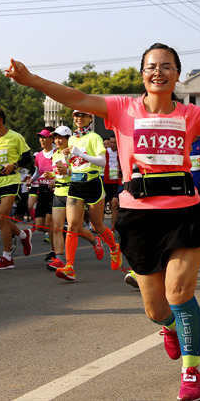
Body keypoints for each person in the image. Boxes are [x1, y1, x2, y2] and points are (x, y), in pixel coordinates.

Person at [5, 43, 200, 401]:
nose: (158, 72)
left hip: (184, 212)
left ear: (177, 75)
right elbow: (75, 95)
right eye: (152, 66)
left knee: (179, 293)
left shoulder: (190, 115)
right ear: (142, 74)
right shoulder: (121, 109)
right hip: (138, 217)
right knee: (156, 309)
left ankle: (191, 369)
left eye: (167, 66)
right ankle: (169, 328)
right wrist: (30, 80)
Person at [54, 109, 122, 281]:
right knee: (72, 226)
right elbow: (75, 164)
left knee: (98, 226)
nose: (79, 118)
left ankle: (114, 248)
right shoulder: (71, 139)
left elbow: (102, 162)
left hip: (93, 183)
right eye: (77, 115)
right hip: (75, 184)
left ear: (90, 118)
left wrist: (80, 153)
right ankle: (69, 267)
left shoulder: (94, 137)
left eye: (83, 115)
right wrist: (65, 170)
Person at [0, 108, 34, 269]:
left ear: (0, 120)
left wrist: (14, 165)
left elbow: (28, 158)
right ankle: (23, 234)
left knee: (2, 218)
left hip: (11, 181)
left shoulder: (15, 137)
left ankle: (7, 258)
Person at [44, 125, 73, 270]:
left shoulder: (73, 152)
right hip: (58, 193)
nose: (57, 140)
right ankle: (59, 259)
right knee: (57, 227)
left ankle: (94, 241)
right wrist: (52, 176)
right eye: (55, 138)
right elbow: (58, 173)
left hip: (72, 192)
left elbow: (81, 170)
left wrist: (68, 171)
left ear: (68, 139)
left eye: (61, 138)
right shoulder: (56, 154)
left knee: (75, 227)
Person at [28, 127, 59, 262]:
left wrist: (55, 178)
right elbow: (37, 172)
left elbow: (63, 169)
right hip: (42, 190)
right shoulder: (39, 155)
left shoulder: (57, 153)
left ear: (51, 138)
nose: (42, 140)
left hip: (55, 191)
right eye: (40, 137)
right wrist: (31, 179)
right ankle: (59, 231)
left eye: (45, 137)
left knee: (49, 222)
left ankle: (54, 251)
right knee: (40, 225)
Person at [103, 134, 122, 231]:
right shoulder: (105, 152)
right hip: (106, 181)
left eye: (115, 142)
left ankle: (113, 228)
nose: (113, 144)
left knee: (115, 204)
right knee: (104, 205)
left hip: (117, 182)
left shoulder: (121, 152)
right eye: (111, 142)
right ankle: (99, 228)